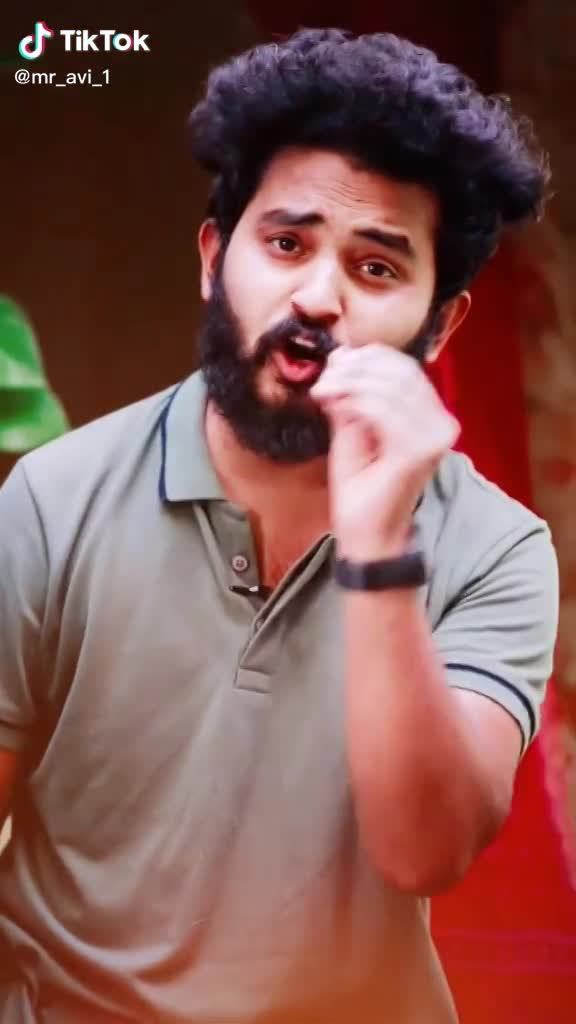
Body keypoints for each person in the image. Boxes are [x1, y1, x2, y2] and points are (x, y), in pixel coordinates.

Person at [0, 27, 559, 1024]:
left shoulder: (499, 548)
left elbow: (428, 851)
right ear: (215, 259)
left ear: (441, 326)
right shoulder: (54, 498)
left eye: (376, 269)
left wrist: (381, 547)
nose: (317, 298)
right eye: (287, 244)